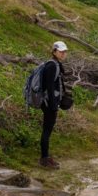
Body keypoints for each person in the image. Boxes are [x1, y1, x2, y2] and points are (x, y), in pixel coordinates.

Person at [39, 41, 68, 169]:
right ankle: (44, 159)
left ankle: (45, 157)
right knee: (47, 130)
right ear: (54, 51)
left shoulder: (54, 64)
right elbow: (49, 87)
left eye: (65, 51)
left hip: (48, 102)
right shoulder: (52, 66)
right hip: (48, 103)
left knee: (47, 130)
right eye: (61, 51)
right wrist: (53, 104)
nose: (63, 54)